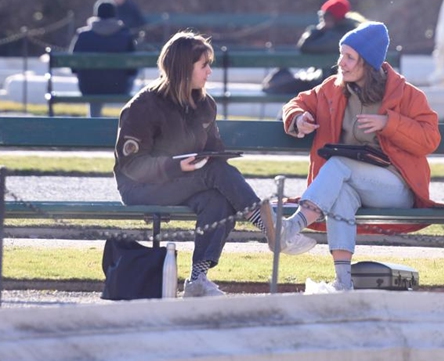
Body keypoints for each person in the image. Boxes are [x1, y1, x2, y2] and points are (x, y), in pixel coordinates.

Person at [113, 31, 316, 298]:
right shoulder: (143, 106)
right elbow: (132, 165)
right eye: (204, 65)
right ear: (184, 69)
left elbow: (212, 148)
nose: (210, 71)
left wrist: (217, 155)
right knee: (216, 173)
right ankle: (271, 228)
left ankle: (197, 280)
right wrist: (176, 167)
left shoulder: (204, 104)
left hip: (182, 182)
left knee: (218, 200)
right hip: (140, 186)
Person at [279, 22, 442, 292]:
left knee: (338, 165)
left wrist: (388, 123)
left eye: (349, 57)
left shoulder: (406, 94)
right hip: (352, 183)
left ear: (367, 63)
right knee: (341, 194)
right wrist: (298, 119)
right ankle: (343, 283)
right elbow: (296, 103)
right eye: (341, 54)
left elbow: (430, 138)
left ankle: (292, 227)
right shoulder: (332, 88)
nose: (341, 63)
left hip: (395, 187)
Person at [263, 0, 363, 95]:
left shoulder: (338, 35)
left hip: (327, 82)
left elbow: (305, 46)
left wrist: (318, 29)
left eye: (325, 16)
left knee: (280, 84)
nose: (322, 20)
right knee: (281, 78)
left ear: (333, 18)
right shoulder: (341, 31)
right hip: (326, 79)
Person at [69, 0, 137, 117]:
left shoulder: (83, 35)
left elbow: (73, 66)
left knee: (94, 81)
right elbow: (133, 69)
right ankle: (125, 121)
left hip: (88, 88)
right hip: (119, 88)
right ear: (114, 14)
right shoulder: (126, 36)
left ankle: (93, 121)